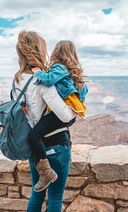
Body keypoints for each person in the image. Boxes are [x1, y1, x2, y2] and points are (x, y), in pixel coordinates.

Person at [14, 30, 76, 212]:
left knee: (37, 194)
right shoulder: (41, 81)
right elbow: (65, 116)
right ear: (39, 51)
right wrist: (75, 111)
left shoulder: (17, 79)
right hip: (55, 146)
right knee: (55, 196)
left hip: (35, 149)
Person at [28, 40, 88, 193]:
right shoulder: (73, 71)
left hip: (62, 113)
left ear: (57, 52)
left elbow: (48, 80)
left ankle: (46, 172)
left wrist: (37, 71)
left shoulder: (59, 67)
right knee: (57, 196)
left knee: (34, 135)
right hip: (71, 112)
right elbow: (84, 91)